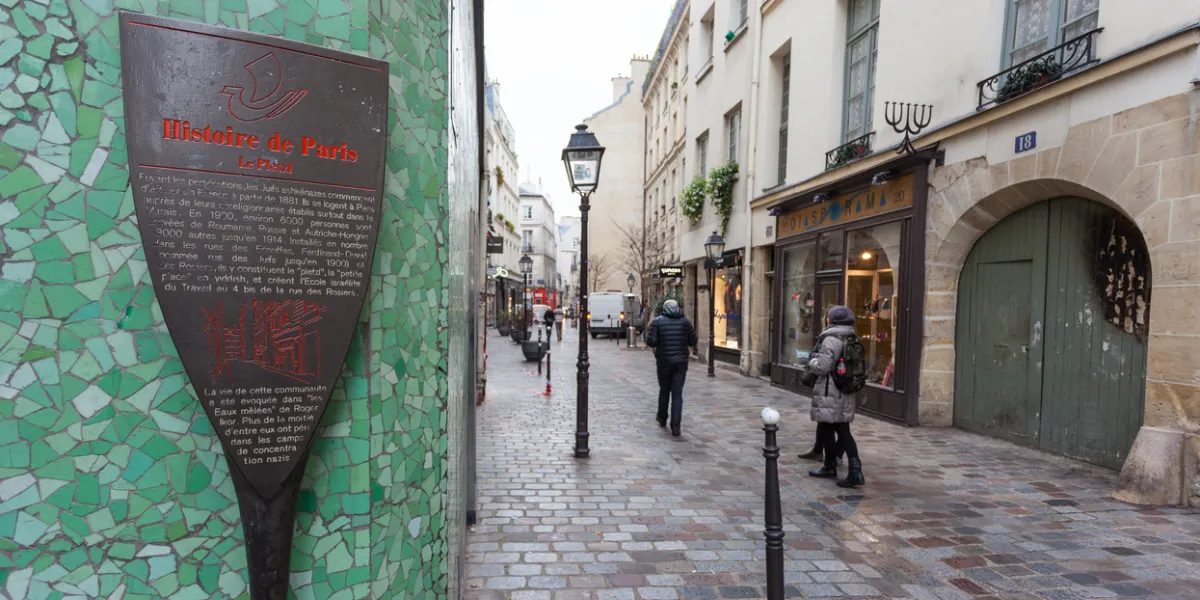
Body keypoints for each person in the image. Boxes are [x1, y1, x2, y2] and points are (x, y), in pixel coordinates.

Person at [806, 305, 865, 488]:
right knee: (828, 428)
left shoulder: (831, 338)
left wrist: (812, 361)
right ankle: (830, 465)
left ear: (832, 320)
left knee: (841, 430)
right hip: (844, 389)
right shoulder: (851, 335)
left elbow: (822, 366)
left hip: (830, 390)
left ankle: (855, 471)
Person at [645, 299, 697, 437]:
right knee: (677, 393)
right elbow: (693, 341)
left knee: (664, 390)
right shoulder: (685, 322)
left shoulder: (657, 322)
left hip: (663, 361)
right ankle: (676, 426)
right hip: (681, 362)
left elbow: (651, 342)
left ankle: (662, 417)